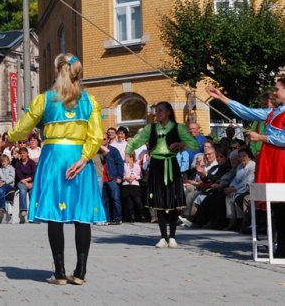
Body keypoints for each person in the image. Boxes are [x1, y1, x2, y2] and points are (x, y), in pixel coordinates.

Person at [9, 54, 105, 286]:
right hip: (78, 158)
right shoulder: (90, 101)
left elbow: (23, 127)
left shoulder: (45, 100)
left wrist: (10, 137)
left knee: (55, 215)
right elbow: (97, 135)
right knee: (82, 216)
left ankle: (60, 272)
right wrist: (84, 159)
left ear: (56, 71)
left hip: (53, 158)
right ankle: (80, 271)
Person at [207, 83, 285, 256]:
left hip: (281, 160)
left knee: (282, 200)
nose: (274, 93)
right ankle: (279, 243)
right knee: (277, 204)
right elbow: (248, 111)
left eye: (277, 89)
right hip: (270, 158)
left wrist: (261, 137)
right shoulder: (274, 112)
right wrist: (222, 98)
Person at [125, 101, 198, 248]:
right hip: (156, 165)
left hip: (171, 164)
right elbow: (136, 141)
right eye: (156, 111)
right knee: (159, 203)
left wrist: (180, 144)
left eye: (160, 111)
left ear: (169, 112)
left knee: (172, 202)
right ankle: (163, 237)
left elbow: (194, 144)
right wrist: (128, 151)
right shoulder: (150, 128)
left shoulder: (178, 128)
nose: (157, 113)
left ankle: (172, 236)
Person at [14, 147, 36, 224]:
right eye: (21, 153)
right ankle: (23, 210)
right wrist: (27, 183)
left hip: (32, 182)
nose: (22, 154)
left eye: (24, 153)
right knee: (23, 190)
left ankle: (33, 215)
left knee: (32, 193)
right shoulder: (18, 163)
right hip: (21, 182)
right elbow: (19, 176)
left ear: (27, 154)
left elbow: (34, 174)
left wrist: (31, 183)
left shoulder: (31, 163)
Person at [121, 153, 144, 222]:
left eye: (127, 157)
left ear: (131, 157)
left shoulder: (136, 166)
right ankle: (131, 217)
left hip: (135, 185)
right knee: (129, 202)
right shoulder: (124, 165)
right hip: (126, 184)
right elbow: (121, 175)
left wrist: (135, 177)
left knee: (138, 201)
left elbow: (141, 176)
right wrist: (126, 177)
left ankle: (142, 216)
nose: (125, 158)